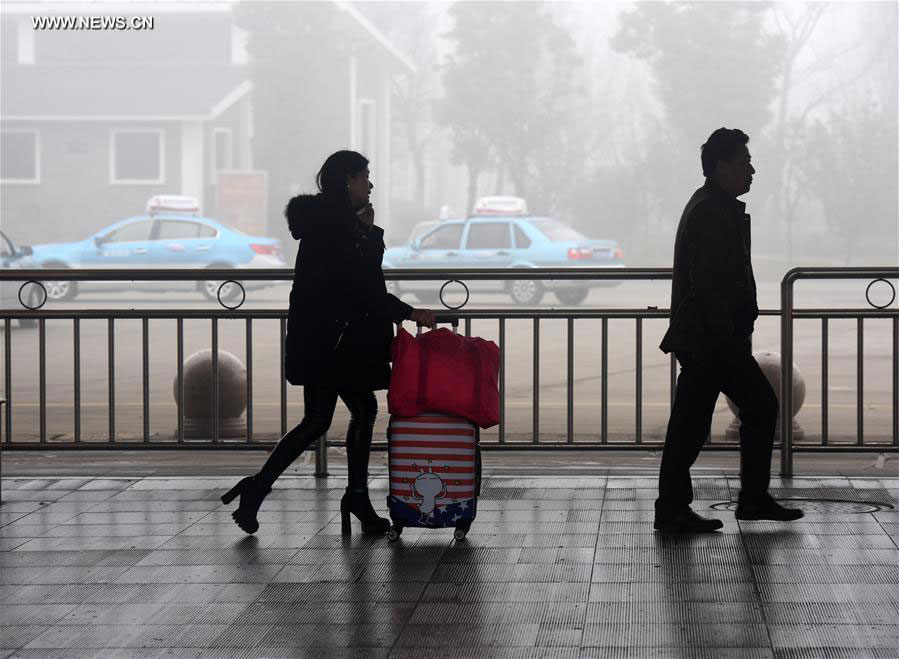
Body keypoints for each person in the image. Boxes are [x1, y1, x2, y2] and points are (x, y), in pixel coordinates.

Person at [221, 150, 436, 535]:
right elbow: (364, 287)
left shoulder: (332, 223)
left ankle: (262, 489)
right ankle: (351, 496)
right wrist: (408, 311)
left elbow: (360, 280)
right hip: (335, 341)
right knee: (357, 410)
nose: (370, 184)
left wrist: (366, 233)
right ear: (346, 181)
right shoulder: (336, 229)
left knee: (322, 418)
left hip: (326, 338)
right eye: (364, 176)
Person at [655, 128, 804, 533]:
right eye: (745, 162)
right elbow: (708, 284)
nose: (751, 170)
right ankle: (737, 500)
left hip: (711, 338)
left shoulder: (714, 206)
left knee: (695, 422)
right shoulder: (710, 212)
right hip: (713, 340)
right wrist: (728, 334)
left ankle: (680, 505)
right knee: (751, 409)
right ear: (722, 166)